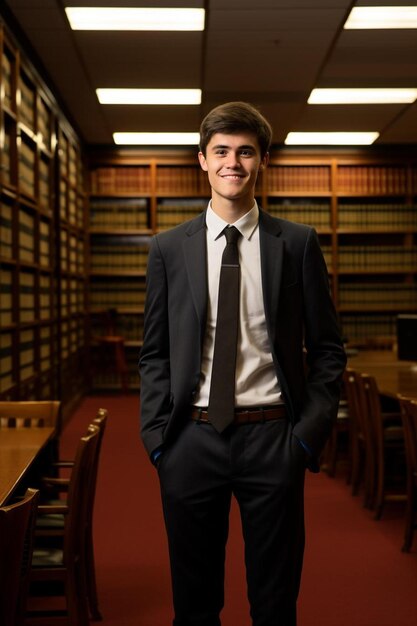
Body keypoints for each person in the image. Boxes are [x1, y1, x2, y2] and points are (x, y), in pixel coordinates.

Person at [139, 101, 347, 626]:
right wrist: (159, 439)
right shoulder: (167, 248)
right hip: (190, 440)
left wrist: (306, 438)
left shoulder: (297, 244)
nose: (234, 162)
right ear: (202, 161)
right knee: (194, 603)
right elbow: (154, 351)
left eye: (246, 151)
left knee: (275, 603)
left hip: (274, 439)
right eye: (222, 151)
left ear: (263, 161)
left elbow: (327, 348)